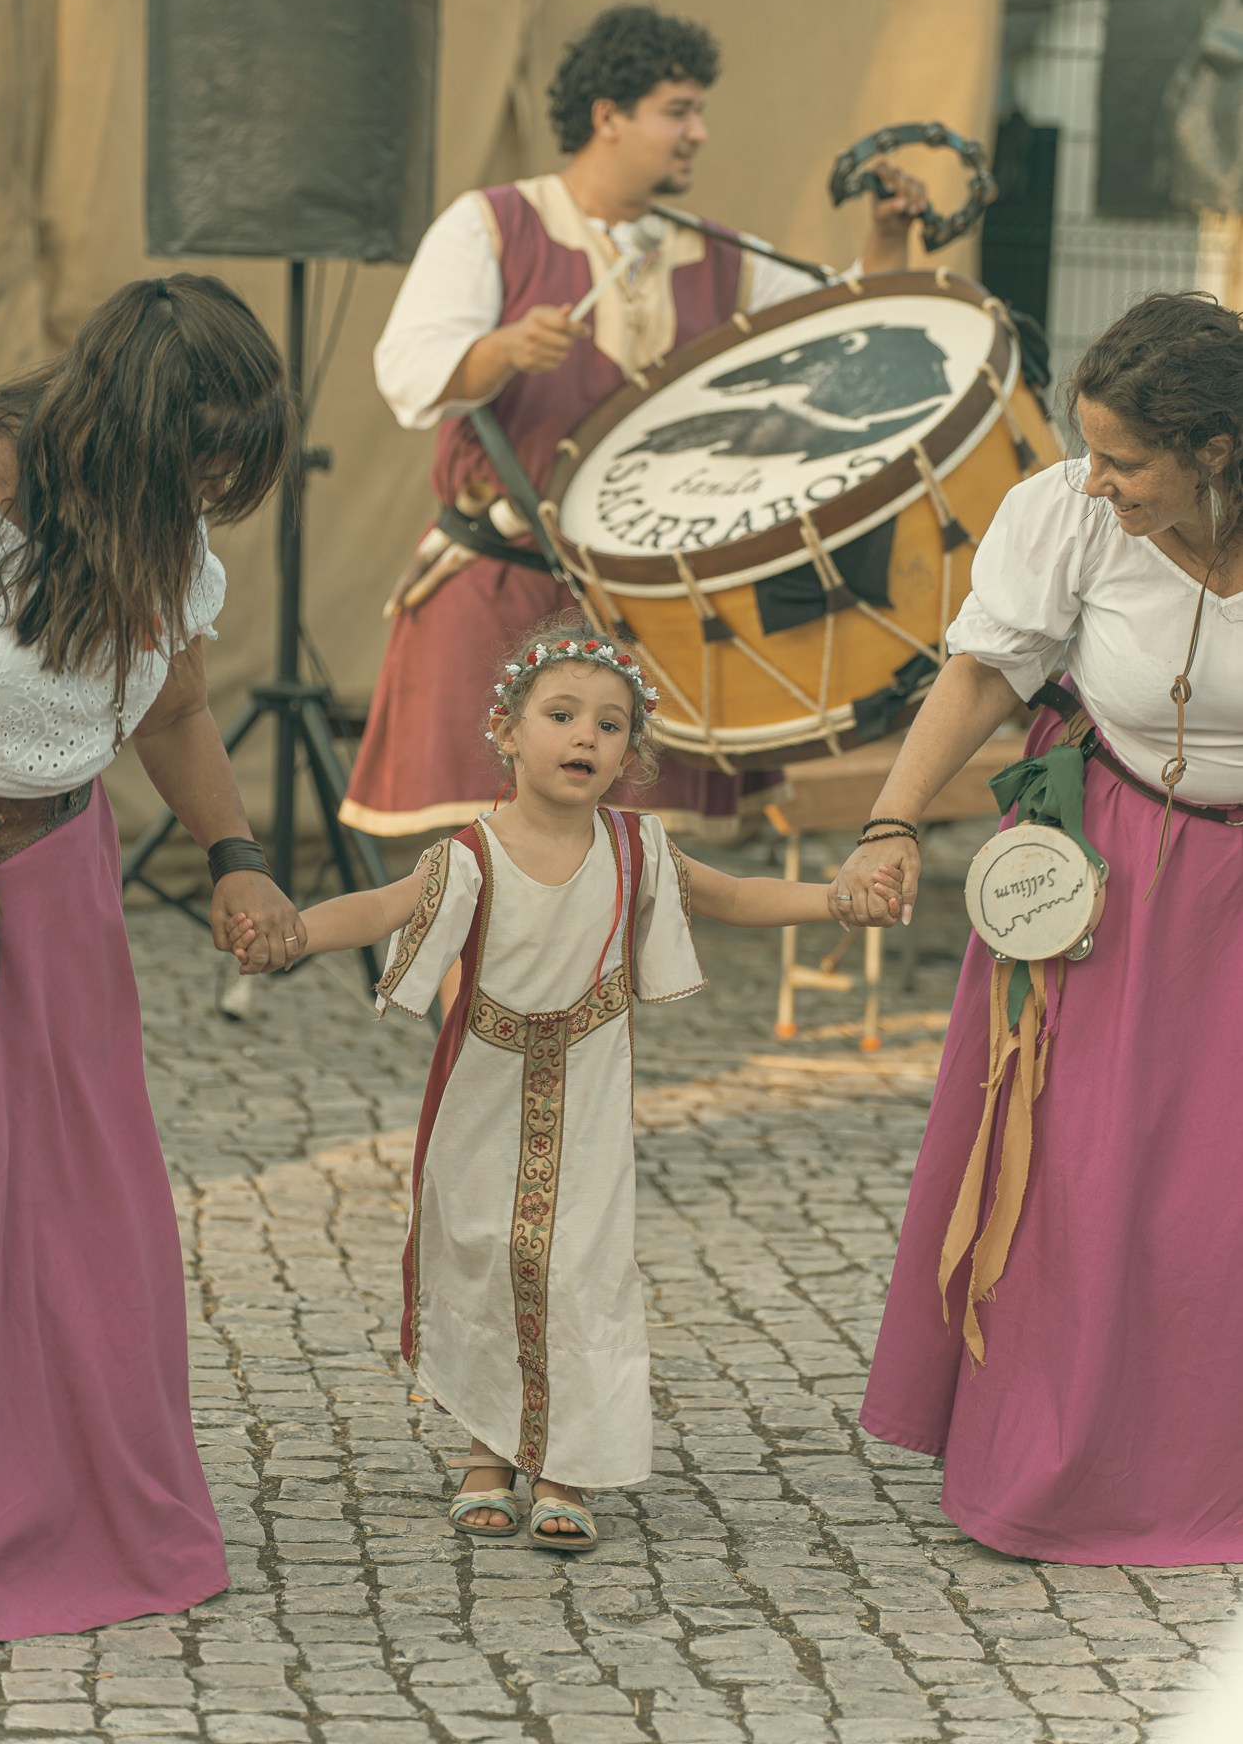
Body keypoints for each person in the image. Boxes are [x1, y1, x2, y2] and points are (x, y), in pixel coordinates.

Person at [233, 614, 896, 1549]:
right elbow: (384, 905)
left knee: (580, 1271)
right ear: (506, 731)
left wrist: (833, 900)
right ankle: (485, 1453)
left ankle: (567, 1467)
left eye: (610, 724)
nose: (585, 735)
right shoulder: (470, 856)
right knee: (487, 1262)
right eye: (560, 714)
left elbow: (736, 896)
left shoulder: (637, 850)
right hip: (482, 1102)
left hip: (587, 1104)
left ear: (630, 752)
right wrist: (296, 931)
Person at [0, 273, 301, 1639]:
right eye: (197, 460)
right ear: (130, 425)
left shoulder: (167, 538)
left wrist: (238, 853)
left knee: (87, 1211)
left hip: (65, 882)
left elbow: (176, 707)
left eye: (228, 471)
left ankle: (90, 1495)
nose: (209, 492)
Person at [830, 290, 1243, 1565]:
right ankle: (1057, 1458)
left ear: (1215, 449)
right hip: (1106, 862)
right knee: (1078, 1172)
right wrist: (892, 822)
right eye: (1093, 449)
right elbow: (983, 669)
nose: (1097, 478)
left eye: (1125, 459)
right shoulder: (1066, 512)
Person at [340, 1, 925, 844]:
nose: (698, 133)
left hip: (640, 611)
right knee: (474, 881)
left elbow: (837, 334)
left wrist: (885, 241)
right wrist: (503, 349)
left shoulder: (721, 256)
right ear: (607, 118)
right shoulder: (493, 226)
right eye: (678, 111)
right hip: (499, 584)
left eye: (698, 111)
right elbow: (408, 372)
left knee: (626, 877)